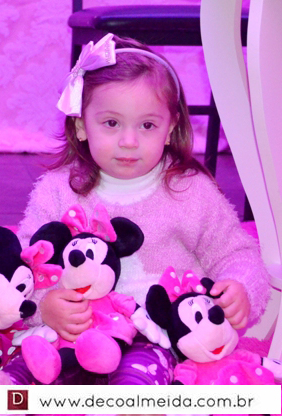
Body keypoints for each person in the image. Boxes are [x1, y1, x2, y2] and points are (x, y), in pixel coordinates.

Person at [13, 33, 269, 385]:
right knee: (22, 373)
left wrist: (240, 288)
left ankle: (127, 402)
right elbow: (26, 263)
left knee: (136, 383)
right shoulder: (57, 190)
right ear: (81, 125)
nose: (129, 141)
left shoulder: (191, 191)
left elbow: (237, 253)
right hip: (73, 332)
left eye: (147, 125)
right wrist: (45, 305)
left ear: (170, 128)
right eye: (112, 123)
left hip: (152, 338)